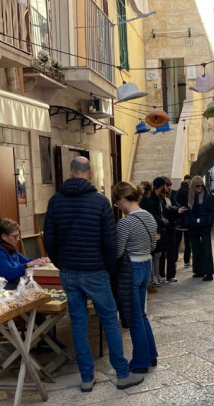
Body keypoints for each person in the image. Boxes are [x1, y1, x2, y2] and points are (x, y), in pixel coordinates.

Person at [44, 157, 144, 392]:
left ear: (70, 172)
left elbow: (49, 239)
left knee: (78, 322)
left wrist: (62, 264)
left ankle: (86, 377)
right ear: (90, 174)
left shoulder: (55, 202)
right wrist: (107, 268)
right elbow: (110, 242)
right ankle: (121, 374)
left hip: (69, 272)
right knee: (109, 320)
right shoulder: (100, 203)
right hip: (96, 270)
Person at [113, 182, 159, 374]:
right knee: (141, 314)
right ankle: (151, 354)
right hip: (146, 265)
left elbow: (117, 251)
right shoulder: (149, 217)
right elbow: (153, 245)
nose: (118, 208)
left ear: (123, 200)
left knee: (134, 317)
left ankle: (140, 362)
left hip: (131, 268)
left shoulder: (125, 222)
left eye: (117, 204)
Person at [0, 218, 48, 289]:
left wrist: (38, 261)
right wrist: (29, 264)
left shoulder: (9, 247)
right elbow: (9, 274)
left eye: (18, 236)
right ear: (4, 236)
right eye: (15, 236)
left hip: (11, 282)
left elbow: (23, 260)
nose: (18, 239)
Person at [180, 176, 214, 281]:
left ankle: (209, 272)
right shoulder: (189, 197)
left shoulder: (207, 196)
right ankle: (198, 270)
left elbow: (211, 211)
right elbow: (187, 211)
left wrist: (209, 222)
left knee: (206, 249)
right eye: (198, 186)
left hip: (204, 225)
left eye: (201, 186)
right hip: (193, 226)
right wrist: (188, 222)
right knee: (195, 249)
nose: (200, 188)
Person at [140, 178, 168, 286]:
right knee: (155, 254)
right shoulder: (147, 201)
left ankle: (156, 276)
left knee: (158, 254)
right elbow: (153, 215)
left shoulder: (154, 199)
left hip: (154, 228)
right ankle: (153, 277)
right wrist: (161, 221)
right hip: (152, 229)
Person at [162, 178, 181, 283]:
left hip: (171, 226)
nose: (169, 187)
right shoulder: (159, 198)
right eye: (167, 185)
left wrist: (172, 208)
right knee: (161, 253)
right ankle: (160, 274)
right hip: (163, 227)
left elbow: (176, 206)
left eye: (170, 185)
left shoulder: (172, 195)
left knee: (172, 251)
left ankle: (171, 274)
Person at [177, 175, 192, 268]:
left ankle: (174, 259)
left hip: (178, 222)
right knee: (188, 243)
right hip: (188, 221)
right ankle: (186, 261)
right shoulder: (190, 194)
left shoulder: (177, 193)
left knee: (177, 242)